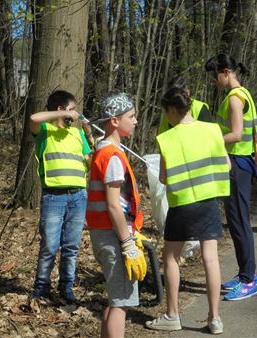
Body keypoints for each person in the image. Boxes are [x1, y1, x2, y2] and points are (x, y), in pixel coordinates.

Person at [145, 86, 230, 334]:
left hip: (182, 204)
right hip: (209, 202)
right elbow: (225, 163)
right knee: (210, 258)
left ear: (172, 110)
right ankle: (214, 318)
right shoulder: (212, 130)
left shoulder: (167, 139)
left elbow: (162, 178)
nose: (166, 118)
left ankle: (172, 315)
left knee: (170, 257)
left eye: (166, 113)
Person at [86, 92, 147, 338]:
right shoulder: (111, 155)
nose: (135, 121)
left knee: (114, 300)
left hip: (105, 234)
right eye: (130, 117)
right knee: (121, 303)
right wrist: (127, 243)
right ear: (114, 120)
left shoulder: (106, 150)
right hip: (113, 236)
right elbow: (113, 205)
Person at [205, 54, 257, 301]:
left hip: (238, 163)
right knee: (236, 221)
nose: (212, 80)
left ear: (226, 72)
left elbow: (237, 134)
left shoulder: (236, 98)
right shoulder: (241, 94)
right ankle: (244, 274)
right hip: (238, 162)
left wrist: (206, 141)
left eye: (214, 75)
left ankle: (249, 280)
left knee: (239, 222)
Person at [29, 90, 92, 303]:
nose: (75, 114)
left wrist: (90, 137)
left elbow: (88, 161)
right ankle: (41, 287)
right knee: (49, 245)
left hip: (78, 197)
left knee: (71, 246)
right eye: (72, 109)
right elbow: (33, 119)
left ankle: (66, 287)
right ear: (59, 109)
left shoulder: (77, 134)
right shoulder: (44, 130)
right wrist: (60, 114)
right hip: (53, 197)